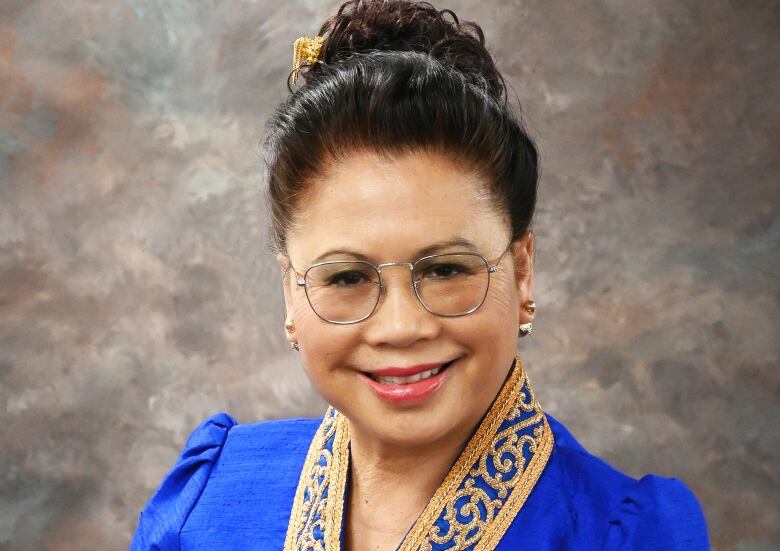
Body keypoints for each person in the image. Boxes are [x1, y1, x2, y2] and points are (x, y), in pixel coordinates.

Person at [130, 1, 710, 549]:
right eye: (347, 278)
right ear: (291, 293)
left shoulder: (623, 535)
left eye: (447, 269)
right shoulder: (211, 504)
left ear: (524, 272)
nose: (401, 327)